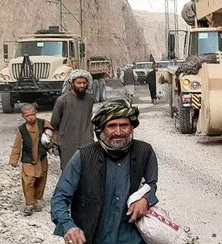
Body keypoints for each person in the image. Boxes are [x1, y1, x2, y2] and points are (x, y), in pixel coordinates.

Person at [51, 99, 158, 244]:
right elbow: (60, 197)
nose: (118, 132)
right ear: (102, 128)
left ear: (132, 127)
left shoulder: (144, 151)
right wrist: (69, 227)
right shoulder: (83, 156)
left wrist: (146, 199)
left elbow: (151, 184)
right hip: (93, 237)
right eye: (112, 126)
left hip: (131, 238)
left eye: (124, 125)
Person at [9, 103, 53, 216]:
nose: (31, 117)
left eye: (32, 114)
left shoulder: (43, 123)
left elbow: (54, 132)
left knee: (41, 180)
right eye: (28, 116)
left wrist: (49, 136)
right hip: (28, 160)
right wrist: (14, 159)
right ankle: (29, 204)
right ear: (23, 116)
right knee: (28, 182)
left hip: (41, 158)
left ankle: (37, 199)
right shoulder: (22, 129)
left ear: (36, 113)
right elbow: (17, 145)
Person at [51, 69, 96, 170]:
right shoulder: (62, 100)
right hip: (68, 143)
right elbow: (54, 122)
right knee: (69, 171)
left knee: (87, 170)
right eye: (79, 83)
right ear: (72, 83)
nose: (82, 85)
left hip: (87, 142)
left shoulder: (90, 99)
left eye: (84, 83)